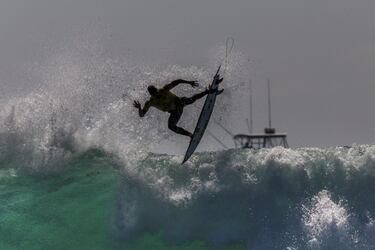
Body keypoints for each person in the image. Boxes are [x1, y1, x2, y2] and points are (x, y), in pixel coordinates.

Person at [133, 78, 223, 138]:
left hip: (179, 102)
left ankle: (208, 91)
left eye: (156, 91)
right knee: (171, 126)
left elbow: (177, 82)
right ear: (151, 94)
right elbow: (142, 115)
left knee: (191, 99)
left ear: (157, 89)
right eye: (155, 94)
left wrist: (189, 82)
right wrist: (139, 108)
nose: (157, 94)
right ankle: (191, 135)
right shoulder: (150, 102)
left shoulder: (164, 89)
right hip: (174, 112)